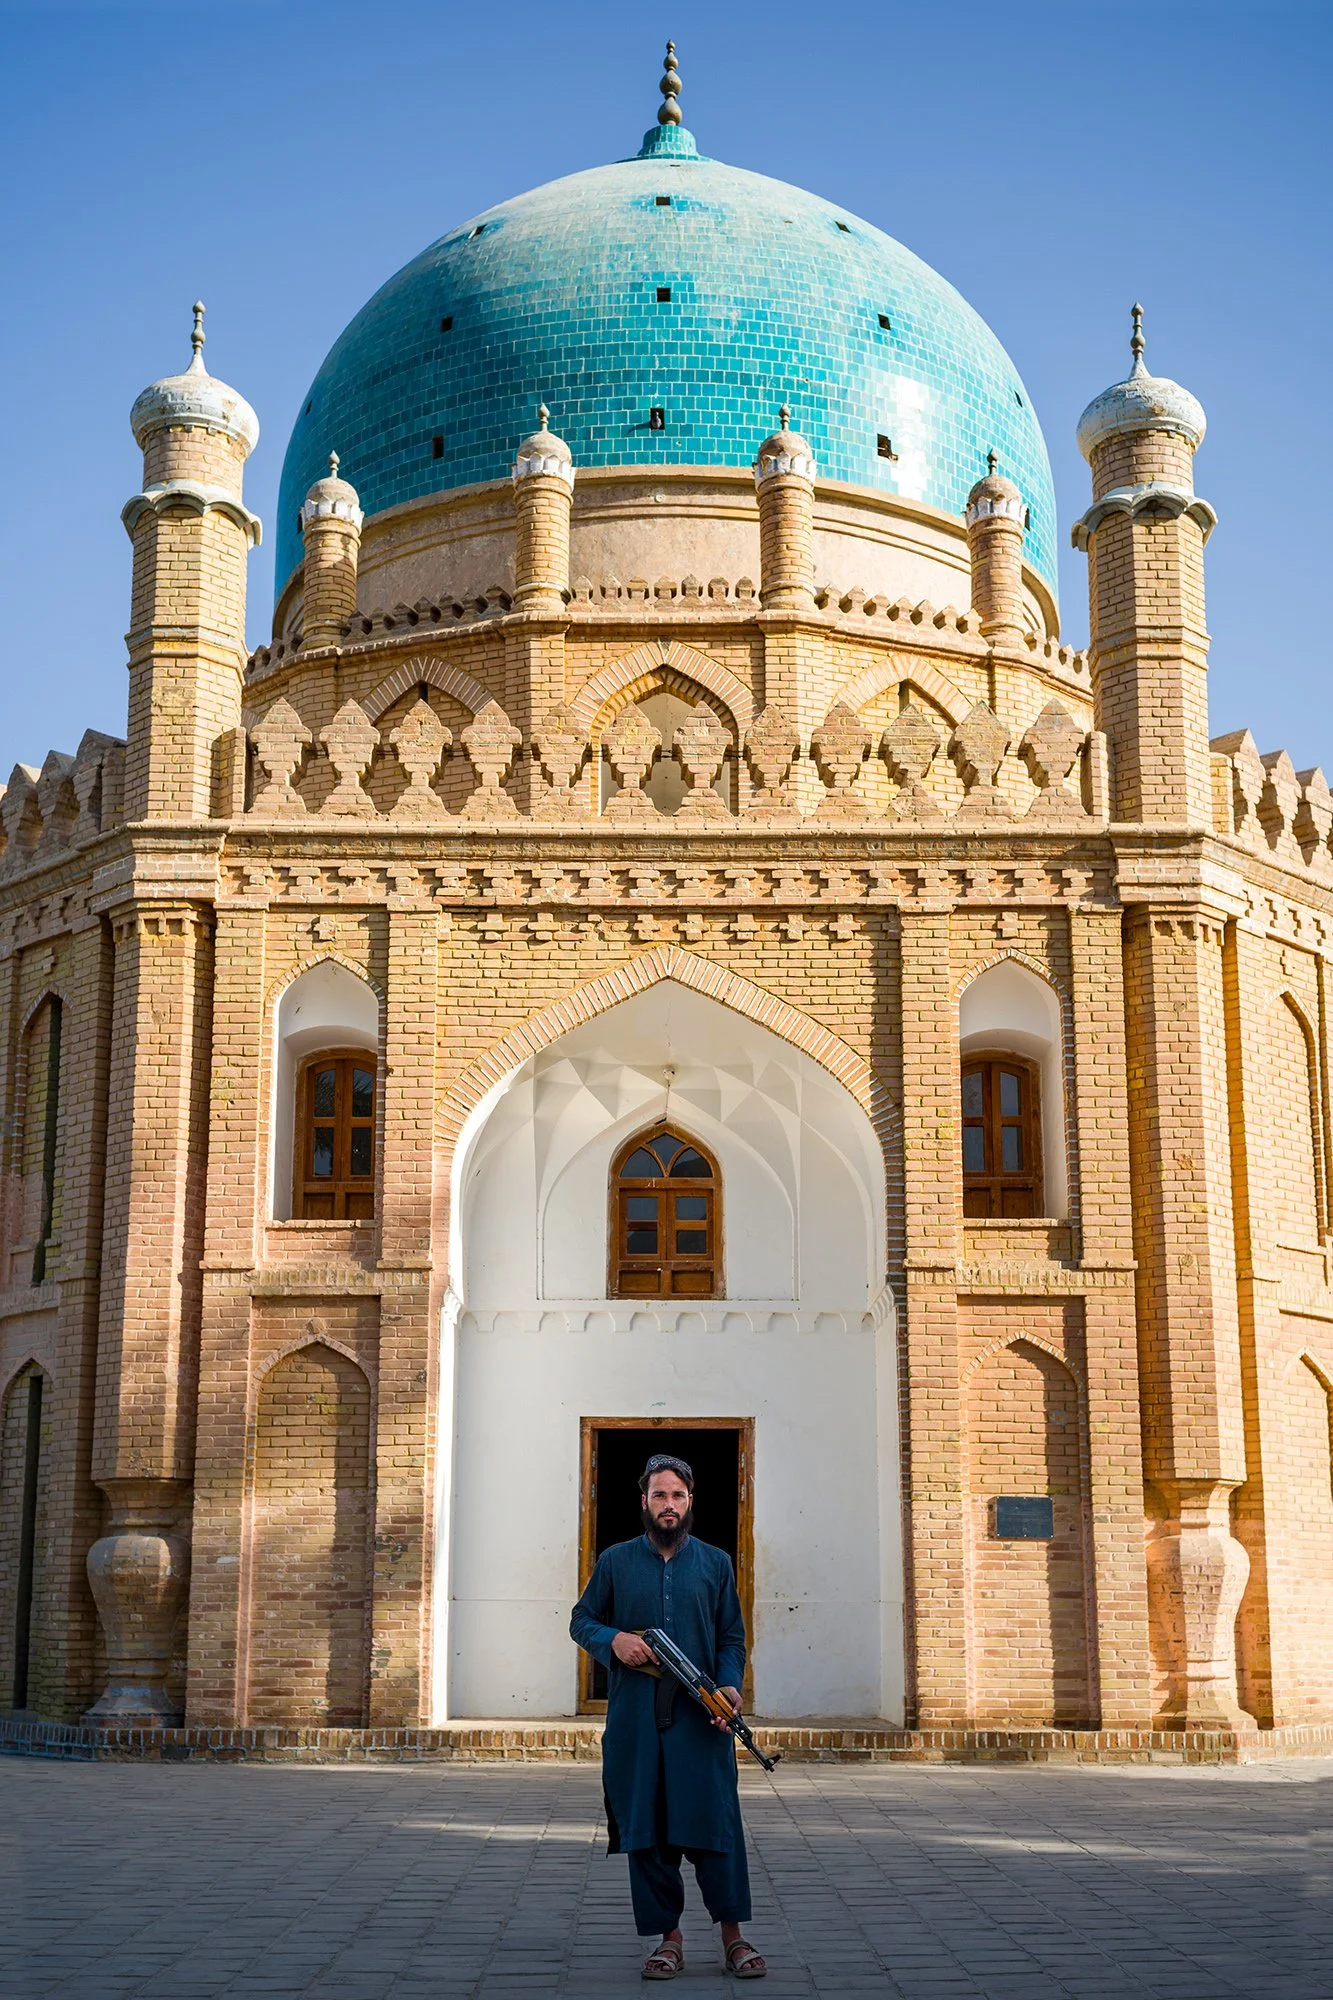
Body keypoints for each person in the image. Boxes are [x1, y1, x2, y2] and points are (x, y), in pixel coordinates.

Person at [570, 1452, 768, 1981]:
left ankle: (734, 1936)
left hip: (702, 1720)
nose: (669, 1505)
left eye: (677, 1496)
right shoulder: (615, 1561)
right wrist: (615, 1640)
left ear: (690, 1502)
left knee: (714, 1825)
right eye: (659, 1495)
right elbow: (581, 1620)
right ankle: (669, 1940)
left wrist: (728, 1687)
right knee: (648, 1829)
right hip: (636, 1720)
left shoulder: (716, 1563)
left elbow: (731, 1637)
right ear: (644, 1501)